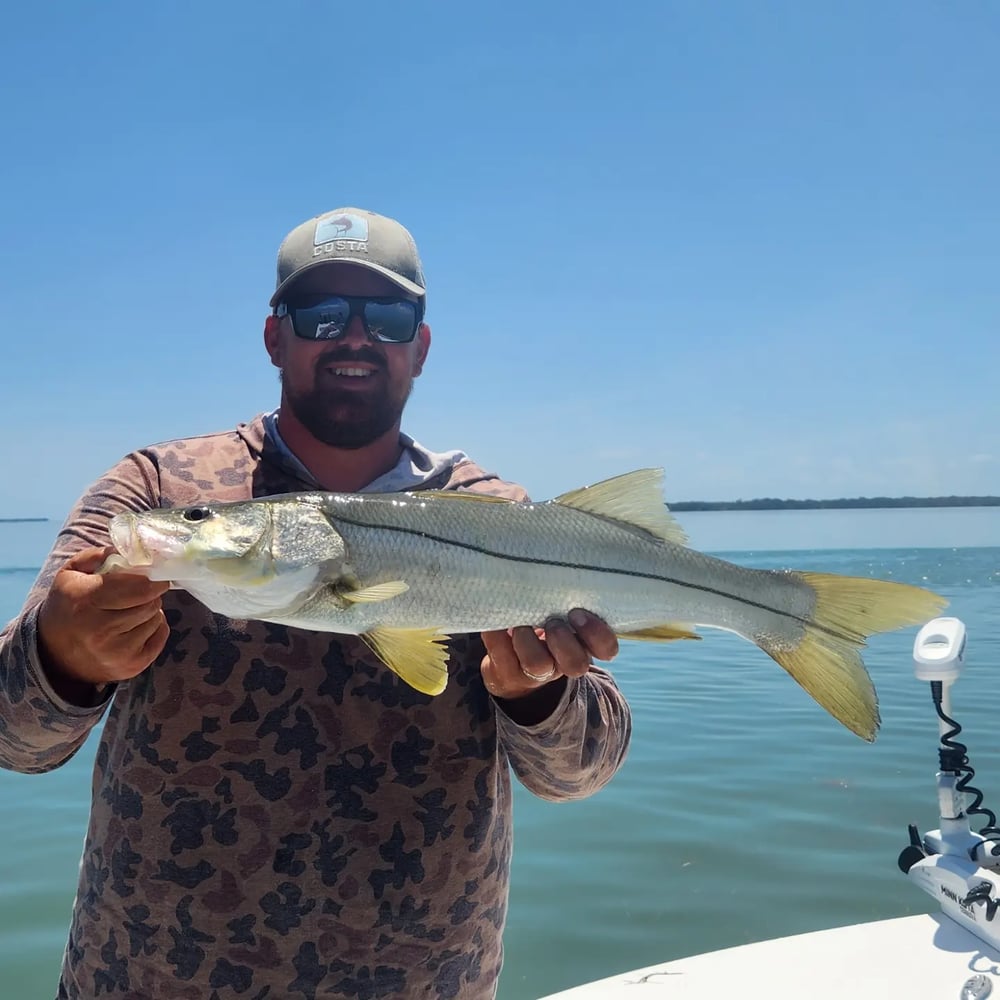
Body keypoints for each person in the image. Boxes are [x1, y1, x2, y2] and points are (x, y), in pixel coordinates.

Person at [0, 207, 632, 999]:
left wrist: (540, 693)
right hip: (150, 976)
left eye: (389, 316)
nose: (355, 338)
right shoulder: (158, 494)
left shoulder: (500, 517)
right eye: (322, 314)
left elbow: (582, 771)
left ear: (421, 347)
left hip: (425, 981)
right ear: (276, 337)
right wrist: (61, 660)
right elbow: (14, 739)